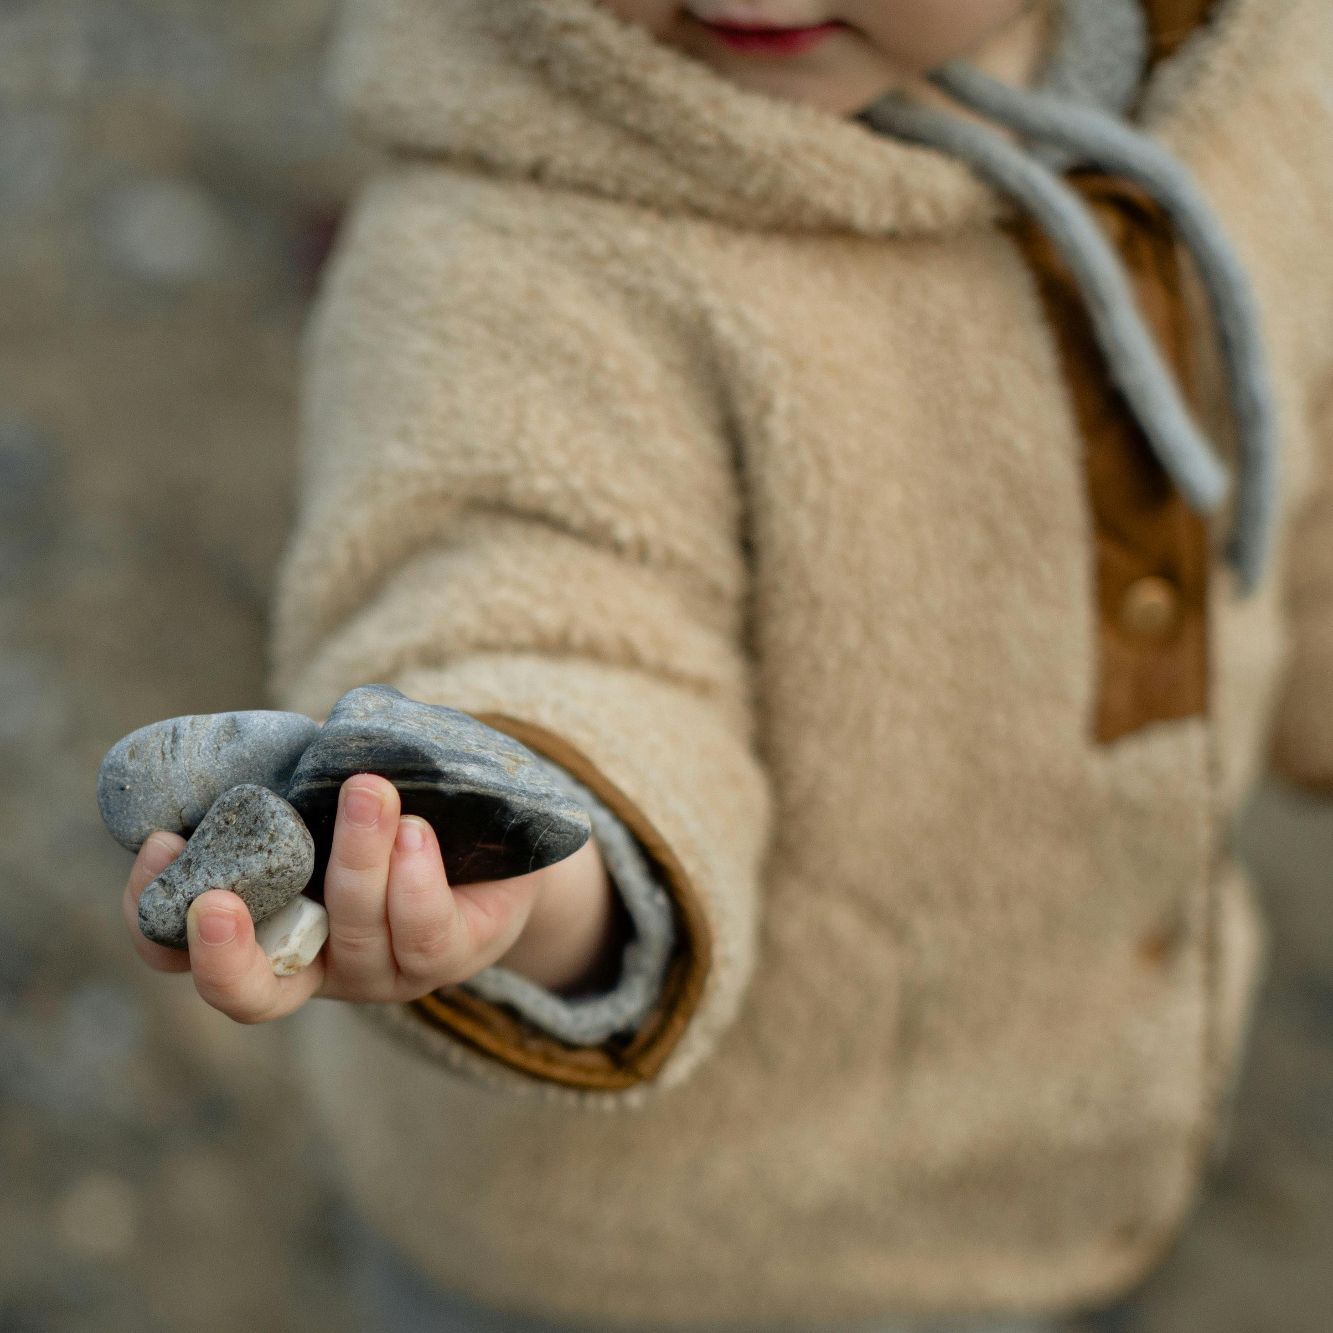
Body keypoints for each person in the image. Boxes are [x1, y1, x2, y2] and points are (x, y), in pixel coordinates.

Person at [120, 0, 1333, 1328]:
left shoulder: (1253, 81)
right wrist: (507, 856)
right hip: (637, 1257)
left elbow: (1305, 426)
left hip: (1074, 1152)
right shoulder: (512, 238)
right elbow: (543, 612)